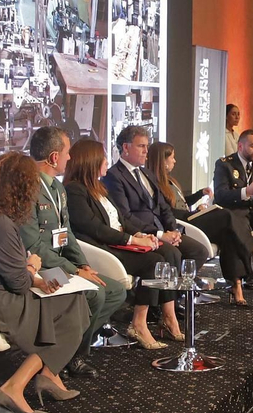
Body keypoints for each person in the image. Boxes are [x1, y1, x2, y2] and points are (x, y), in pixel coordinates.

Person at [0, 152, 88, 413]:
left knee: (71, 296)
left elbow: (8, 270)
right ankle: (20, 384)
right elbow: (17, 282)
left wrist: (33, 275)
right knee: (74, 302)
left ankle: (44, 376)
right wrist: (33, 267)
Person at [21, 127, 128, 379]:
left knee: (115, 291)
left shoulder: (57, 189)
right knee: (96, 293)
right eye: (67, 152)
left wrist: (83, 265)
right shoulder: (28, 189)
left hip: (62, 263)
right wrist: (73, 270)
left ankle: (70, 352)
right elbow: (34, 245)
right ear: (54, 157)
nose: (70, 158)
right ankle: (68, 358)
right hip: (40, 269)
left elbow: (67, 234)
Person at [62, 137, 184, 350]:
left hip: (118, 243)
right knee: (154, 262)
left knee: (167, 254)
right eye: (103, 159)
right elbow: (94, 228)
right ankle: (139, 323)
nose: (107, 163)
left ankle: (162, 316)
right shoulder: (75, 190)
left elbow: (121, 220)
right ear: (90, 161)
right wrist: (131, 239)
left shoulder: (98, 187)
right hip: (102, 248)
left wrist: (140, 234)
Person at [148, 140, 253, 301]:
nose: (175, 161)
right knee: (227, 215)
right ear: (163, 160)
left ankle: (236, 284)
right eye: (172, 158)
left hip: (191, 217)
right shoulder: (155, 183)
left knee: (229, 234)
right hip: (185, 223)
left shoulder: (170, 181)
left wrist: (199, 194)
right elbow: (169, 212)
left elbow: (180, 202)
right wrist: (196, 212)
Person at [104, 124, 210, 267]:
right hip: (144, 234)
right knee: (173, 254)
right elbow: (125, 216)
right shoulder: (114, 175)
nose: (146, 151)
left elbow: (163, 206)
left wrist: (173, 230)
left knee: (200, 251)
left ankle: (180, 286)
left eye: (147, 146)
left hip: (164, 230)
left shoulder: (146, 173)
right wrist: (160, 235)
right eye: (141, 146)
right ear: (126, 147)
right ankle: (172, 288)